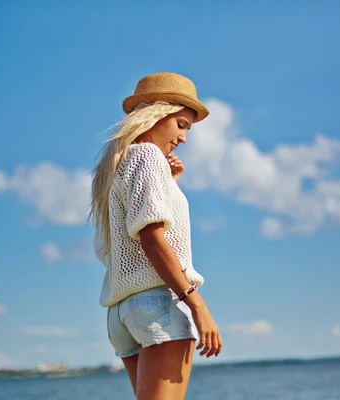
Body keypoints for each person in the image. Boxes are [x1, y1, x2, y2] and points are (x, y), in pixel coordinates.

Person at [90, 72, 223, 399]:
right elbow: (151, 239)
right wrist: (196, 304)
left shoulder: (118, 164)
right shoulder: (147, 156)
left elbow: (136, 231)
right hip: (159, 303)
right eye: (181, 125)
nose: (184, 139)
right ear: (157, 113)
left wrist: (169, 183)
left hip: (123, 314)